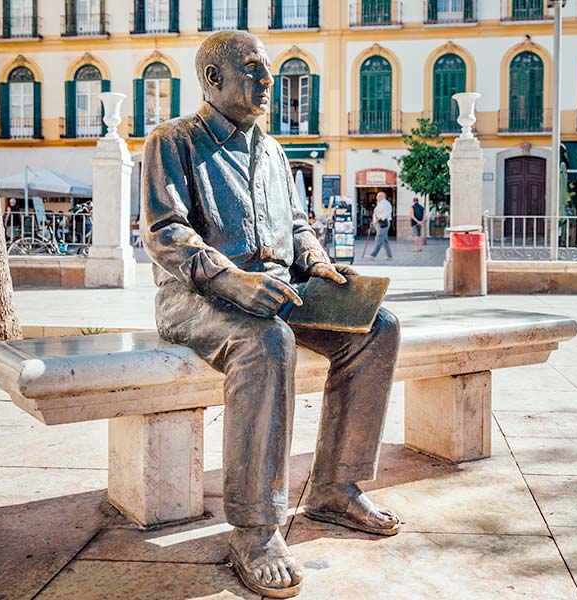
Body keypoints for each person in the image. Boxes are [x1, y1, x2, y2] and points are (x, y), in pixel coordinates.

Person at [140, 31, 400, 599]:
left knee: (377, 327)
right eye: (254, 69)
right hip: (197, 298)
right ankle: (256, 528)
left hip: (280, 288)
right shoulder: (173, 141)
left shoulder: (276, 151)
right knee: (268, 342)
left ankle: (336, 486)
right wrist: (228, 278)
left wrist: (321, 264)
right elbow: (165, 232)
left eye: (268, 71)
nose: (268, 81)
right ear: (214, 79)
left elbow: (299, 227)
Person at [368, 191, 393, 260]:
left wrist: (377, 220)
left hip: (383, 223)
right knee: (384, 240)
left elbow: (385, 214)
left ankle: (373, 255)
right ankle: (389, 255)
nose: (377, 197)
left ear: (382, 197)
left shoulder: (385, 204)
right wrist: (374, 222)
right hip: (379, 224)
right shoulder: (380, 204)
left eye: (378, 196)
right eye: (377, 196)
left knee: (379, 239)